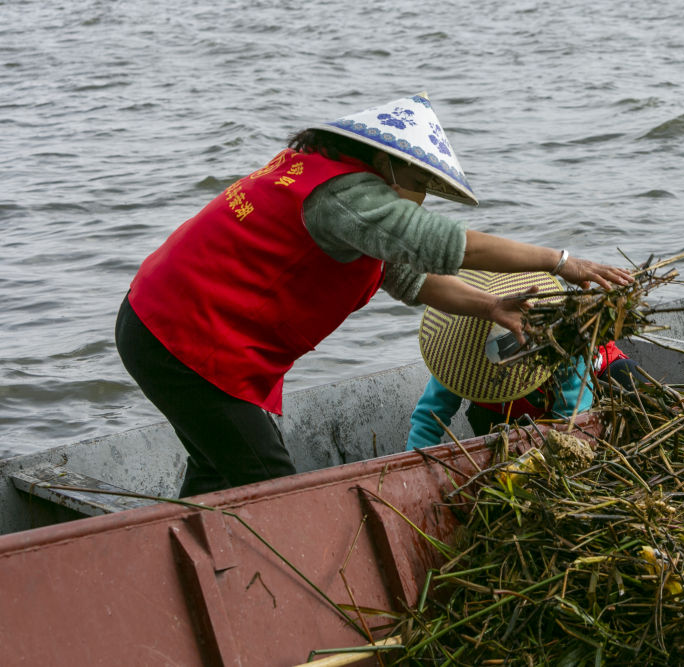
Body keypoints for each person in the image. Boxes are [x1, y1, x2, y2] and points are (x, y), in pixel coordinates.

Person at [115, 92, 632, 497]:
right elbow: (452, 247)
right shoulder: (346, 196)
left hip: (167, 323)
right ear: (387, 163)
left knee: (218, 469)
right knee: (267, 479)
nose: (422, 196)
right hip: (180, 337)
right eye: (420, 181)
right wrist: (560, 261)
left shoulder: (341, 196)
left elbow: (411, 279)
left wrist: (490, 306)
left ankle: (184, 555)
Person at [406, 270, 641, 450]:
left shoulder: (562, 346)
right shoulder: (458, 360)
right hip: (511, 413)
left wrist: (555, 461)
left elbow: (571, 419)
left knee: (626, 376)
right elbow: (428, 420)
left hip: (586, 393)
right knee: (484, 418)